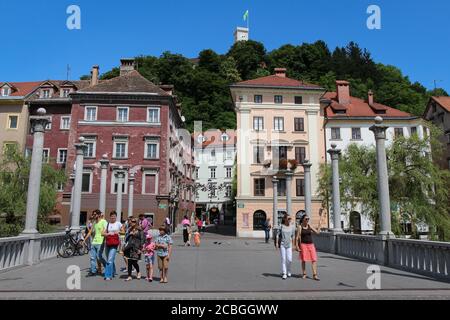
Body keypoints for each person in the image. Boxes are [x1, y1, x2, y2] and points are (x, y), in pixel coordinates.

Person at [295, 214, 322, 281]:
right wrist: (297, 246)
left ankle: (315, 275)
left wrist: (319, 225)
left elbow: (317, 232)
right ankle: (304, 273)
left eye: (308, 219)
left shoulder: (310, 226)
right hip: (303, 245)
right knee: (304, 260)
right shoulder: (300, 227)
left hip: (311, 245)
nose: (307, 220)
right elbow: (297, 237)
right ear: (303, 219)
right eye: (306, 219)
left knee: (314, 259)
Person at [102, 211, 122, 281]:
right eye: (112, 216)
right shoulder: (107, 224)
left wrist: (118, 232)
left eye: (114, 216)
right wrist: (108, 234)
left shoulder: (118, 223)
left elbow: (124, 231)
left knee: (110, 260)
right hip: (107, 243)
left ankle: (108, 275)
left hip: (114, 244)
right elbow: (102, 233)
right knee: (110, 259)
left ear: (116, 217)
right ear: (110, 217)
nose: (113, 217)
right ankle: (113, 271)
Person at [87, 210, 107, 277]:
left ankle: (107, 268)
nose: (94, 215)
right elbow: (90, 231)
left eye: (95, 214)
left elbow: (106, 230)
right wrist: (84, 240)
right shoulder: (94, 222)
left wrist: (104, 233)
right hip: (94, 242)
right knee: (92, 257)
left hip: (100, 242)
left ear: (98, 215)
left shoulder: (104, 221)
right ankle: (93, 271)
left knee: (99, 257)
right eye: (93, 214)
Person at [274, 214, 295, 280]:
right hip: (282, 244)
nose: (290, 220)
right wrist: (277, 243)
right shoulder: (281, 226)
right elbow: (277, 235)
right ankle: (284, 273)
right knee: (283, 259)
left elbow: (293, 236)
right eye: (288, 219)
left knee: (289, 259)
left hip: (289, 244)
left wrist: (294, 245)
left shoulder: (292, 227)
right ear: (285, 219)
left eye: (290, 219)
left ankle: (289, 270)